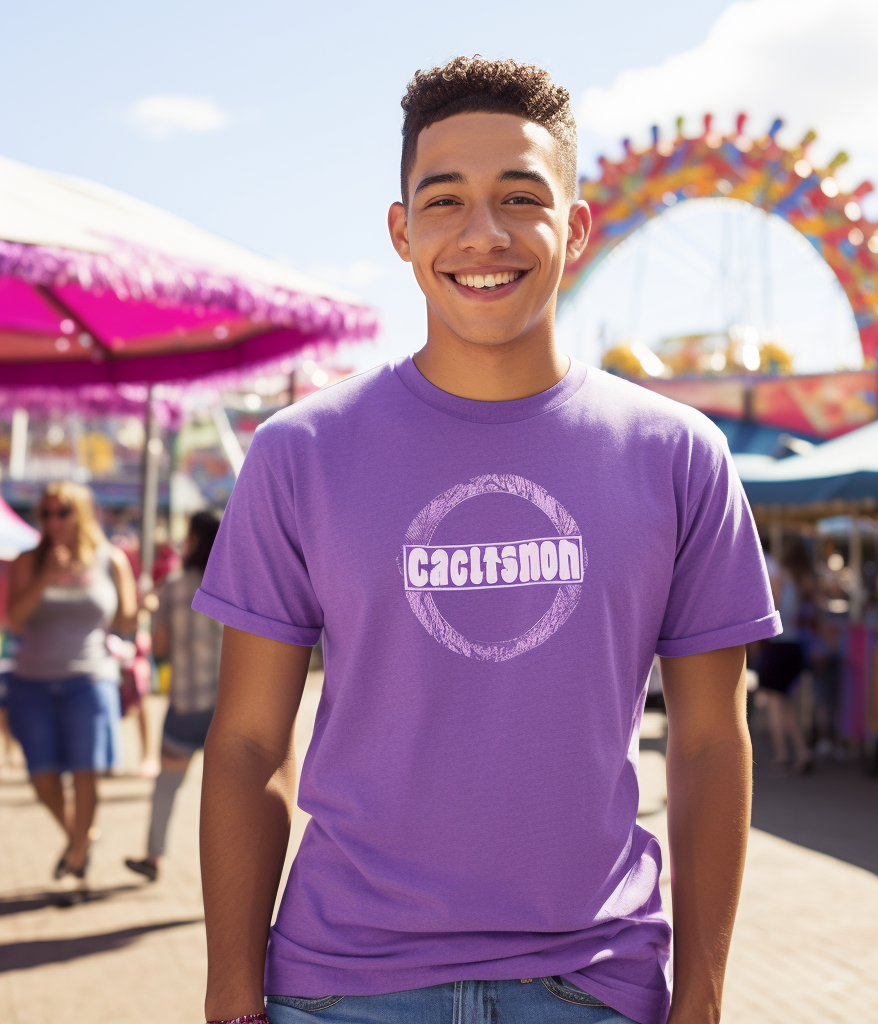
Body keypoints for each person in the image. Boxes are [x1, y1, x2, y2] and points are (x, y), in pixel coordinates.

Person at [196, 57, 780, 1024]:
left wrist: (704, 997)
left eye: (521, 197)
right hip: (342, 986)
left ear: (578, 228)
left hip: (592, 984)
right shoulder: (298, 454)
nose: (484, 234)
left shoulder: (680, 456)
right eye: (445, 200)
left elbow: (713, 742)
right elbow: (251, 737)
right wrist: (226, 992)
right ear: (401, 231)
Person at [5, 481, 137, 880]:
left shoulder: (110, 559)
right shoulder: (29, 559)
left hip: (90, 679)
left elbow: (127, 620)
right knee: (42, 777)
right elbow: (14, 620)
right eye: (44, 513)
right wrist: (47, 577)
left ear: (80, 513)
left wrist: (143, 605)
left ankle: (77, 860)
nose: (51, 521)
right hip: (32, 682)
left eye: (61, 512)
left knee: (86, 771)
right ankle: (80, 835)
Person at [125, 511, 222, 882]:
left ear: (195, 539)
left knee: (167, 785)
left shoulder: (175, 584)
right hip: (227, 705)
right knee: (227, 798)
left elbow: (160, 647)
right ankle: (231, 874)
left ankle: (153, 856)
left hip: (184, 702)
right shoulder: (237, 582)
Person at [759, 537, 813, 773]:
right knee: (784, 701)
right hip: (797, 645)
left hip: (779, 643)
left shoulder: (781, 577)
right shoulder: (807, 581)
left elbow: (772, 608)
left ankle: (782, 752)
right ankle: (801, 751)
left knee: (774, 700)